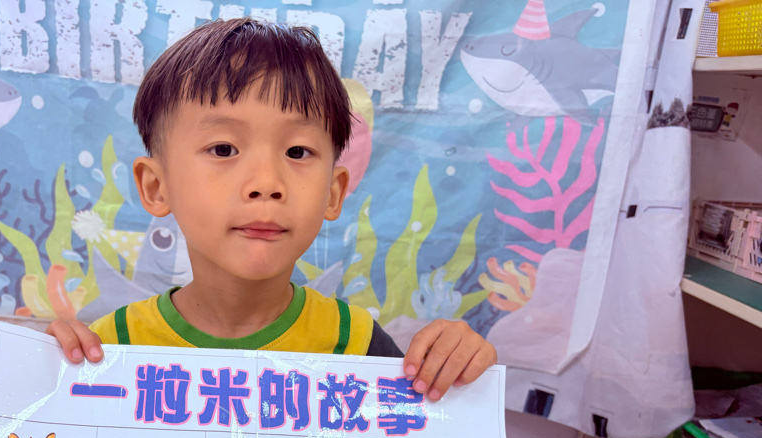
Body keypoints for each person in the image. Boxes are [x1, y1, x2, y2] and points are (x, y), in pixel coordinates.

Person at [46, 18, 496, 399]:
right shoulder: (109, 350)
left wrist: (457, 372)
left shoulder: (357, 346)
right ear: (156, 186)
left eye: (297, 152)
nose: (267, 184)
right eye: (223, 149)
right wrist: (41, 375)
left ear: (333, 193)